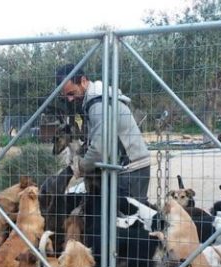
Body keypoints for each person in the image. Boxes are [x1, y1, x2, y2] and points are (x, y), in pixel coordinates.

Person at [55, 63, 151, 203]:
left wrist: (80, 166)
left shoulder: (98, 104)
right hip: (130, 166)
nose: (69, 99)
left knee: (124, 221)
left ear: (83, 81)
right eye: (65, 96)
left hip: (130, 170)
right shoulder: (97, 100)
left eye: (71, 93)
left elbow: (100, 150)